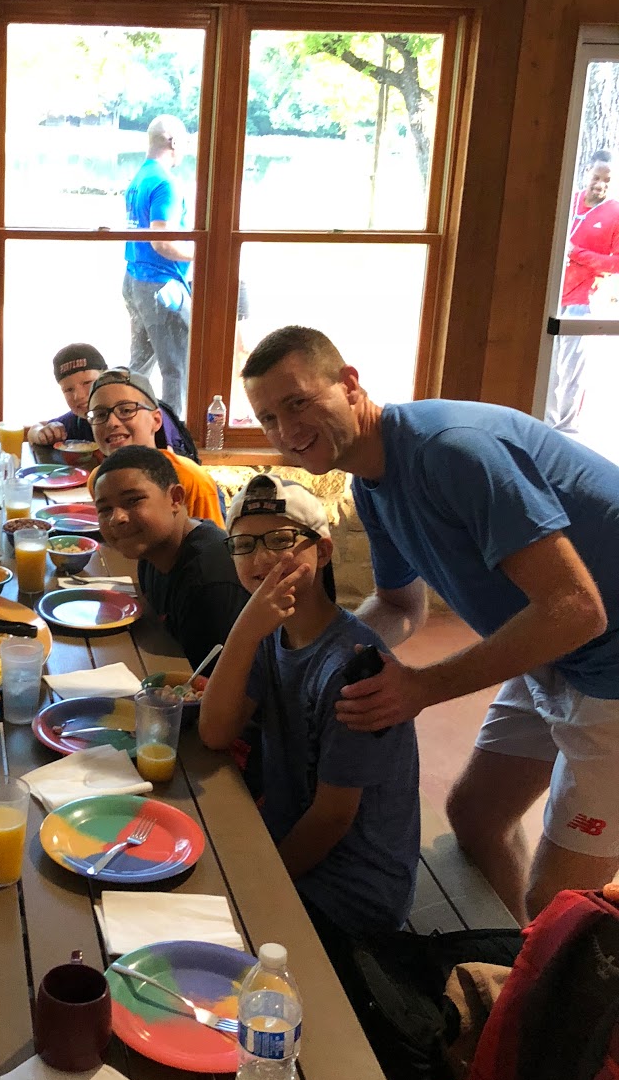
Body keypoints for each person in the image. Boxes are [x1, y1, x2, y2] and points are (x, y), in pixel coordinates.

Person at [241, 322, 619, 924]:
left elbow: (576, 608)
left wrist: (422, 686)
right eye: (268, 418)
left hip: (604, 661)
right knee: (477, 818)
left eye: (298, 402)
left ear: (350, 384)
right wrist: (315, 658)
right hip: (556, 649)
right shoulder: (372, 484)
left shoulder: (450, 451)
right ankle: (512, 957)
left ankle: (545, 973)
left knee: (561, 905)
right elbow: (399, 608)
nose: (287, 431)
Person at [198, 474, 420, 943]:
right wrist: (246, 629)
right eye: (244, 544)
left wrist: (259, 884)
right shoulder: (269, 631)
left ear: (322, 550)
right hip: (286, 843)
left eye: (281, 540)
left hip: (350, 891)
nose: (260, 558)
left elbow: (332, 817)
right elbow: (215, 732)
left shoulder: (353, 668)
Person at [91, 445, 246, 672]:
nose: (117, 518)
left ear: (175, 498)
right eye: (105, 509)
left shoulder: (208, 583)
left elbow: (216, 683)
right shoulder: (152, 551)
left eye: (133, 501)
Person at [86, 368, 223, 524]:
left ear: (156, 420)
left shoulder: (191, 480)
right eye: (100, 415)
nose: (112, 423)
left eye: (126, 410)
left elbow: (210, 539)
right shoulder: (99, 480)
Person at [122, 115, 193, 413]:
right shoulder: (165, 183)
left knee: (139, 366)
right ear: (173, 142)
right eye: (185, 141)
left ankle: (123, 416)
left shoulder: (139, 178)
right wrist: (202, 253)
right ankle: (176, 434)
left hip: (134, 279)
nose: (186, 148)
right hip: (162, 286)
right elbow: (161, 242)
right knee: (176, 368)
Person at [547, 152, 619, 435]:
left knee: (572, 367)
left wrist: (577, 254)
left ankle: (567, 428)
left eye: (607, 180)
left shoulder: (615, 213)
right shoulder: (569, 201)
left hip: (585, 300)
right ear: (587, 172)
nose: (600, 184)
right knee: (547, 363)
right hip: (553, 294)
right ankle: (545, 423)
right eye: (596, 177)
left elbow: (616, 263)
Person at [26, 341, 193, 455]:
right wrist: (40, 433)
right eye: (68, 389)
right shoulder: (83, 418)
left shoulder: (147, 411)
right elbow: (38, 428)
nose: (79, 396)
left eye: (87, 383)